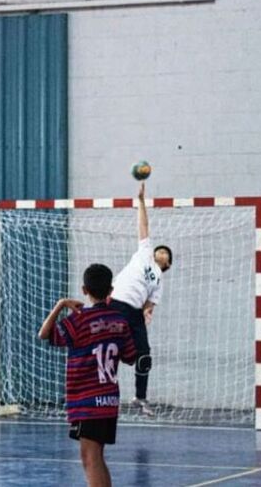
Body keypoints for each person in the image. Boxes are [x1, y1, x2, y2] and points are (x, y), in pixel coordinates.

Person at [39, 263, 136, 487]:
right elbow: (130, 357)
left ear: (84, 290)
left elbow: (44, 334)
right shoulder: (120, 320)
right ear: (111, 290)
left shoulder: (78, 320)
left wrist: (61, 304)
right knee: (97, 457)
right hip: (109, 399)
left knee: (90, 458)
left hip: (87, 400)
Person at [108, 183, 172, 416]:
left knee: (144, 353)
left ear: (168, 264)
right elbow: (143, 226)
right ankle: (102, 393)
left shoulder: (159, 281)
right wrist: (141, 201)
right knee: (107, 348)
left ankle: (140, 397)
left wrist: (146, 313)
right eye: (160, 249)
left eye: (167, 253)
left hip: (134, 312)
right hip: (115, 303)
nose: (162, 251)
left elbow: (150, 305)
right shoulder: (144, 253)